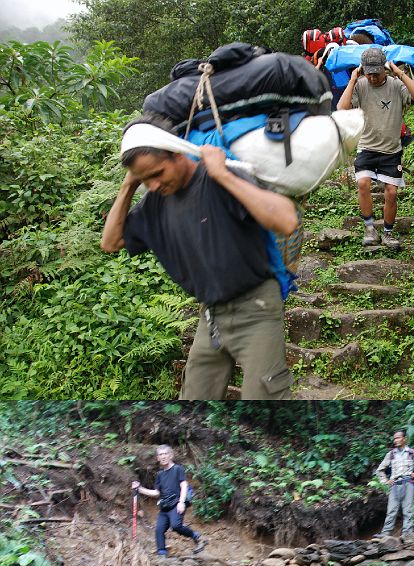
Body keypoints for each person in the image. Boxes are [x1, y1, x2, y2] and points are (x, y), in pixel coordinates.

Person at [101, 121, 300, 400]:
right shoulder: (155, 203)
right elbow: (110, 242)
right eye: (146, 180)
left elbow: (286, 219)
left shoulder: (217, 178)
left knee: (265, 398)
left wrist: (223, 174)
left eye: (158, 173)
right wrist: (128, 186)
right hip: (211, 318)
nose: (154, 185)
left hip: (256, 309)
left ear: (177, 154)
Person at [337, 46, 414, 248]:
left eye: (377, 73)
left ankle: (388, 232)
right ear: (363, 71)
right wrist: (352, 80)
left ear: (384, 69)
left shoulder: (396, 85)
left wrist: (400, 73)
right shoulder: (360, 85)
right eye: (369, 74)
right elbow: (341, 108)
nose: (373, 78)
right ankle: (369, 229)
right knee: (363, 183)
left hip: (391, 149)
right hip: (367, 146)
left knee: (392, 192)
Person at [132, 445, 205, 557]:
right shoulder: (160, 475)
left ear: (171, 455)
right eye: (160, 454)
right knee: (159, 530)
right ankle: (162, 554)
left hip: (176, 503)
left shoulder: (177, 469)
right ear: (157, 458)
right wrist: (140, 489)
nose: (163, 456)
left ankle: (195, 535)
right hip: (164, 506)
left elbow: (184, 485)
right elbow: (156, 493)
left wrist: (181, 502)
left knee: (176, 526)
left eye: (165, 454)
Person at [374, 430, 414, 542]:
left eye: (398, 438)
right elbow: (380, 470)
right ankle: (385, 534)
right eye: (394, 438)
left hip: (408, 483)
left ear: (404, 439)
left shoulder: (411, 453)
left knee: (408, 510)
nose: (396, 440)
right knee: (391, 510)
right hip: (395, 485)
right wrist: (385, 481)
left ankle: (408, 534)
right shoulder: (391, 454)